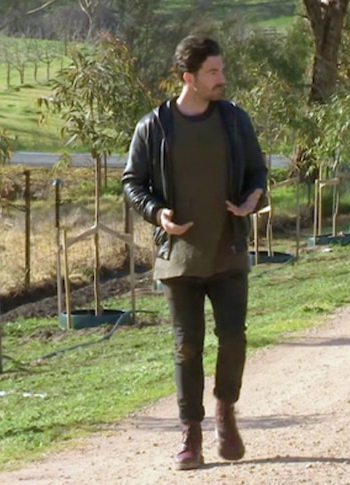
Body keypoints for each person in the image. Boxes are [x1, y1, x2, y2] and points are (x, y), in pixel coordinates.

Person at [122, 35, 267, 471]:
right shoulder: (155, 126)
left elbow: (258, 170)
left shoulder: (234, 120)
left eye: (221, 70)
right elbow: (133, 182)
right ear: (189, 78)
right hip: (178, 258)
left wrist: (250, 200)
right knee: (187, 348)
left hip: (228, 251)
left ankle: (225, 410)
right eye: (213, 72)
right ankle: (191, 434)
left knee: (234, 338)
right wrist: (157, 213)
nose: (222, 79)